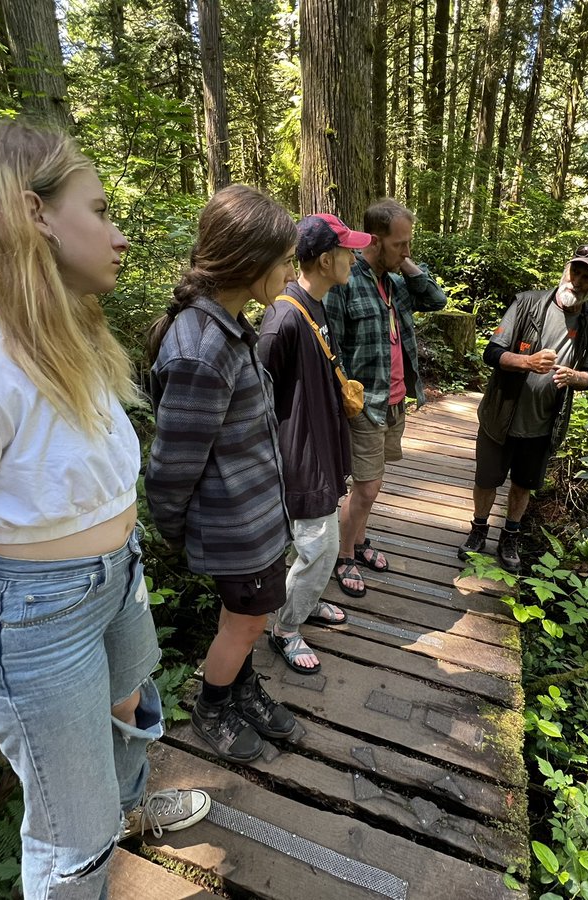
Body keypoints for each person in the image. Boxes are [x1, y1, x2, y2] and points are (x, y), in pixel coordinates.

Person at [0, 119, 209, 900]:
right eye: (100, 210)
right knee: (69, 836)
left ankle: (130, 810)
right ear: (35, 214)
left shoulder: (69, 340)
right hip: (36, 613)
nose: (119, 237)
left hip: (114, 581)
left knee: (132, 706)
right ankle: (97, 837)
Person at [145, 184, 299, 764]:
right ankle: (212, 705)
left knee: (246, 620)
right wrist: (176, 530)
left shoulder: (232, 328)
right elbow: (173, 464)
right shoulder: (201, 349)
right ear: (250, 263)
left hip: (254, 516)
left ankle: (240, 690)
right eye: (283, 261)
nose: (290, 272)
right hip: (233, 525)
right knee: (247, 620)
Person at [257, 214, 368, 673]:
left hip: (322, 446)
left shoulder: (317, 305)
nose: (354, 257)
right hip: (300, 457)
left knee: (322, 541)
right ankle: (285, 628)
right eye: (347, 251)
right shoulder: (283, 317)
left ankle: (304, 602)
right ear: (326, 259)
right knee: (318, 546)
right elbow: (262, 397)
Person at [458, 243, 588, 574]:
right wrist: (526, 361)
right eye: (576, 271)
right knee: (487, 479)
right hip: (500, 415)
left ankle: (509, 537)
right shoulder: (527, 303)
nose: (578, 281)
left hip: (545, 422)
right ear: (566, 269)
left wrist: (575, 376)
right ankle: (479, 529)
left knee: (524, 483)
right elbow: (492, 352)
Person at [324, 199, 446, 597]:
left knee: (370, 485)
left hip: (396, 400)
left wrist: (403, 264)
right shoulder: (346, 281)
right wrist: (341, 400)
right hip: (364, 403)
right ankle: (343, 557)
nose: (407, 251)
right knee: (366, 487)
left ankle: (359, 542)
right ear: (374, 241)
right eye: (401, 245)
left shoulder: (395, 282)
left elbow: (436, 300)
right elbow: (333, 346)